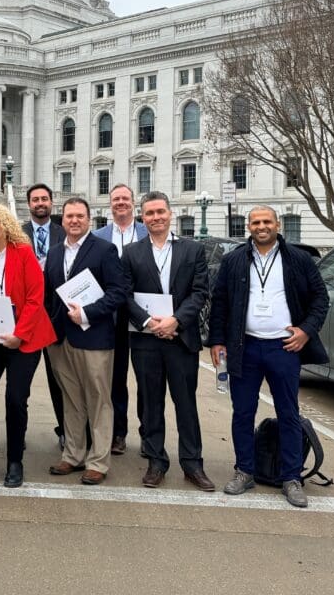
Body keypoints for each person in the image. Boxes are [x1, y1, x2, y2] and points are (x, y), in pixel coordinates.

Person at [208, 206, 330, 508]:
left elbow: (320, 298)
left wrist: (306, 331)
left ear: (277, 225)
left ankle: (291, 477)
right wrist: (217, 341)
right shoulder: (235, 259)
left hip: (284, 348)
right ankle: (244, 470)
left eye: (266, 221)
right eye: (255, 222)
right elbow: (219, 301)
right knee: (242, 412)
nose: (261, 226)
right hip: (245, 347)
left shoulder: (298, 259)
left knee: (288, 413)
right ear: (248, 227)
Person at [121, 191, 213, 492]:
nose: (156, 217)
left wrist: (176, 320)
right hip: (146, 341)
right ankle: (156, 461)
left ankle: (192, 463)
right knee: (151, 404)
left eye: (160, 211)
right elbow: (124, 294)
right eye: (149, 213)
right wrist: (149, 322)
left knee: (186, 403)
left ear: (170, 213)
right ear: (142, 217)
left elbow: (200, 292)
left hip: (181, 339)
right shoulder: (131, 253)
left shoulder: (192, 250)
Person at [0, 202, 56, 488]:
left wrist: (20, 333)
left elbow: (35, 298)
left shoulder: (24, 252)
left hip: (21, 337)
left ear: (5, 224)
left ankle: (15, 460)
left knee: (16, 399)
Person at [44, 198, 128, 485]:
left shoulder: (105, 250)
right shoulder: (55, 253)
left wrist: (88, 312)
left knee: (99, 400)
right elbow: (49, 296)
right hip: (61, 339)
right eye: (69, 216)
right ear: (63, 220)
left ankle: (98, 462)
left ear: (89, 219)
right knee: (71, 399)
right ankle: (73, 455)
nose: (74, 220)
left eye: (80, 216)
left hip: (94, 337)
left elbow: (118, 292)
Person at [94, 183, 148, 455]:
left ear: (133, 202)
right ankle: (118, 433)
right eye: (116, 199)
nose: (121, 203)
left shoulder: (148, 232)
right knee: (115, 379)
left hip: (144, 316)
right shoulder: (98, 236)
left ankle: (148, 435)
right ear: (110, 204)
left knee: (146, 379)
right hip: (111, 317)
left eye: (125, 198)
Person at [20, 182, 68, 449]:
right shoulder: (17, 233)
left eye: (44, 199)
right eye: (35, 199)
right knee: (21, 382)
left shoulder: (64, 231)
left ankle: (66, 430)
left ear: (51, 202)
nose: (40, 203)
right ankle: (19, 432)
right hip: (27, 314)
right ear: (29, 204)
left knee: (60, 379)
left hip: (57, 313)